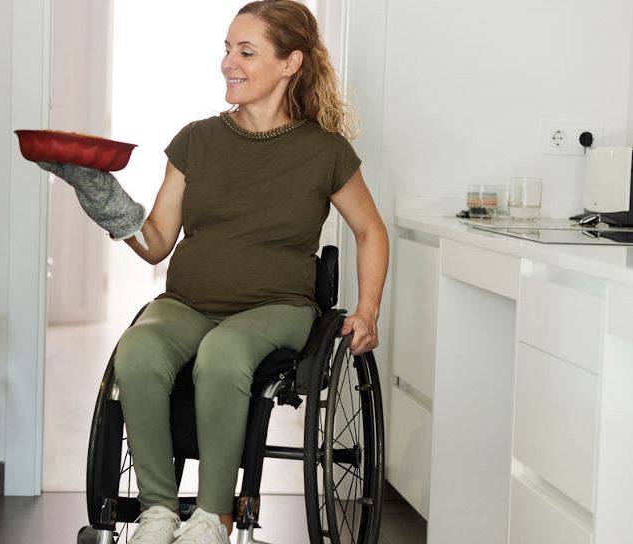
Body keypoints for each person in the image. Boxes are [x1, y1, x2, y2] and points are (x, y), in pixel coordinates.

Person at [43, 1, 388, 542]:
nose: (229, 62)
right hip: (187, 304)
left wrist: (367, 310)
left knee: (224, 354)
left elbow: (370, 230)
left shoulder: (325, 151)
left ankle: (212, 517)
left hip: (278, 308)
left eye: (246, 52)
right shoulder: (196, 140)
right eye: (227, 49)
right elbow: (156, 242)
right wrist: (101, 196)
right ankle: (159, 512)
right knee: (137, 351)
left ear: (291, 63)